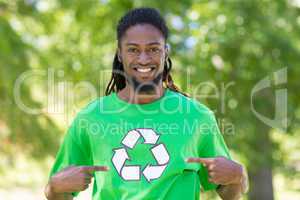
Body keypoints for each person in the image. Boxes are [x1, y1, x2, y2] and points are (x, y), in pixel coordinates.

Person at [44, 7, 248, 200]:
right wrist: (54, 187)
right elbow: (57, 193)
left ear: (165, 51)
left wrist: (237, 176)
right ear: (119, 53)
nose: (143, 59)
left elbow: (229, 192)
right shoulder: (90, 118)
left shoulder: (197, 116)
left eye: (153, 49)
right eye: (133, 49)